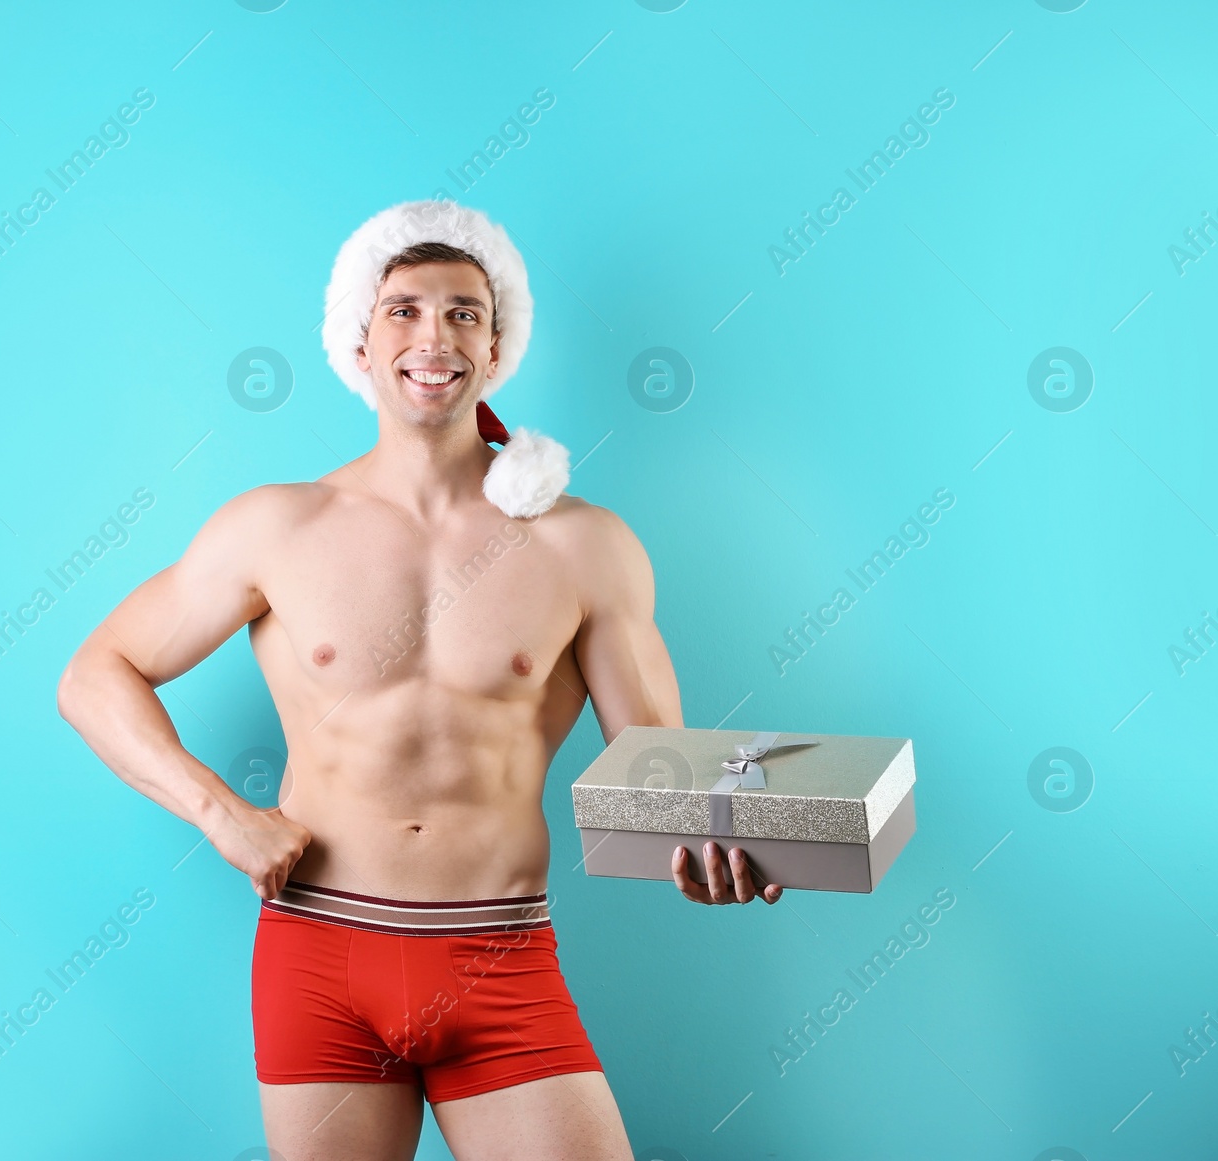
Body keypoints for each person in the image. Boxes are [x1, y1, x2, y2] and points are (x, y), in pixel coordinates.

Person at [57, 200, 782, 1161]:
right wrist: (219, 812)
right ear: (359, 340)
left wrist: (715, 845)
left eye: (463, 312)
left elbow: (663, 772)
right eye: (403, 309)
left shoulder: (586, 545)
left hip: (501, 955)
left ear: (497, 345)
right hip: (319, 954)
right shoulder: (277, 526)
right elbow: (94, 673)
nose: (432, 335)